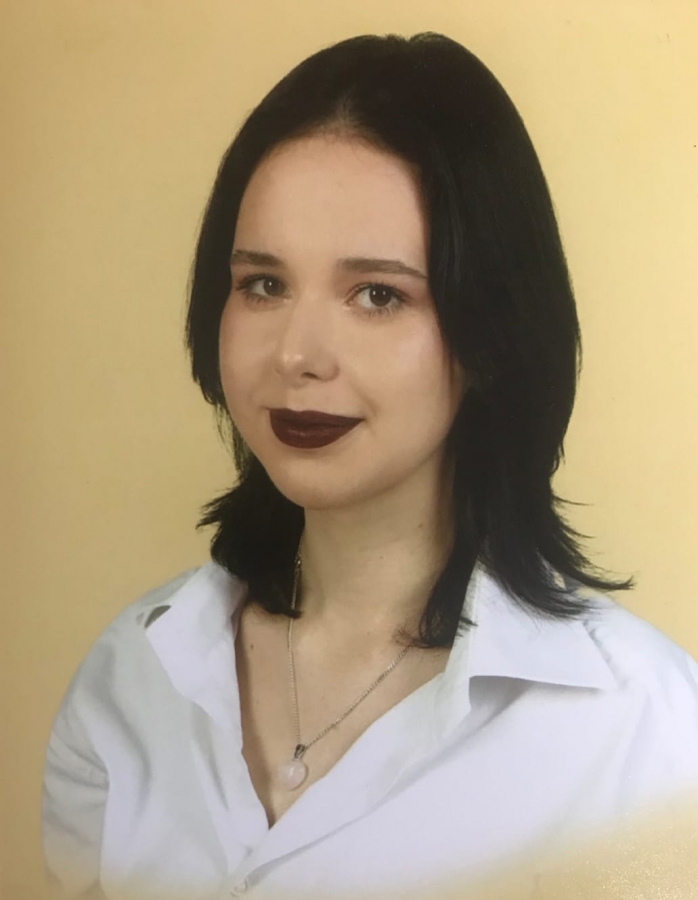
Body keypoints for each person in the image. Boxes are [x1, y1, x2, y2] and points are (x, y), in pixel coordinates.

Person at [41, 31, 698, 900]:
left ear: (490, 332)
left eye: (378, 295)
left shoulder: (643, 736)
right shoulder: (133, 674)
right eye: (263, 284)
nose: (297, 355)